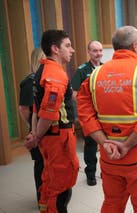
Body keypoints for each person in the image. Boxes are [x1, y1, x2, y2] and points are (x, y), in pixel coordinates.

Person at [76, 26, 137, 213]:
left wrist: (104, 142)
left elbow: (85, 115)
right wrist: (127, 145)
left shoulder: (94, 76)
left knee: (112, 204)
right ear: (135, 46)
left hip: (110, 157)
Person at [24, 29, 79, 213]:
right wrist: (36, 136)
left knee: (49, 180)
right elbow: (48, 112)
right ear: (55, 49)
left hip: (51, 137)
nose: (72, 50)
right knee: (61, 187)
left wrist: (35, 134)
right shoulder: (55, 74)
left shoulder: (43, 70)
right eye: (68, 46)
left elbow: (36, 110)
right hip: (58, 139)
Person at [72, 40, 103, 186]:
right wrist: (86, 108)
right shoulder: (82, 70)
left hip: (105, 114)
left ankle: (107, 171)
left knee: (106, 143)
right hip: (90, 114)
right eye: (95, 51)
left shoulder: (106, 68)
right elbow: (74, 93)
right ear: (89, 52)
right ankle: (90, 173)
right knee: (90, 144)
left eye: (100, 50)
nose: (98, 53)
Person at [19, 48, 45, 203]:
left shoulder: (42, 79)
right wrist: (33, 126)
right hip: (37, 130)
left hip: (45, 129)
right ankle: (41, 198)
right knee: (41, 165)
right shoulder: (30, 82)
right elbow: (23, 108)